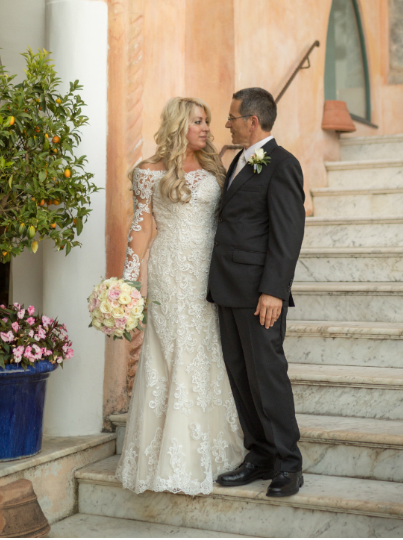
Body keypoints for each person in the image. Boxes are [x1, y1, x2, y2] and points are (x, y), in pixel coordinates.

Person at [117, 97, 244, 495]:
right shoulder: (148, 173)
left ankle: (211, 450)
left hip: (211, 272)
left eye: (208, 121)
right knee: (174, 353)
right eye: (199, 122)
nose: (207, 128)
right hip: (172, 273)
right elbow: (140, 230)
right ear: (178, 126)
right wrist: (129, 286)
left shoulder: (214, 167)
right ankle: (173, 460)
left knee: (207, 352)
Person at [209, 87, 306, 497]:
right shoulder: (235, 162)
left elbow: (288, 234)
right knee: (240, 376)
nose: (225, 123)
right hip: (228, 288)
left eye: (231, 116)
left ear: (252, 120)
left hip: (259, 294)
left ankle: (288, 463)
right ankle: (260, 456)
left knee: (267, 376)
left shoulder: (282, 164)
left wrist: (274, 291)